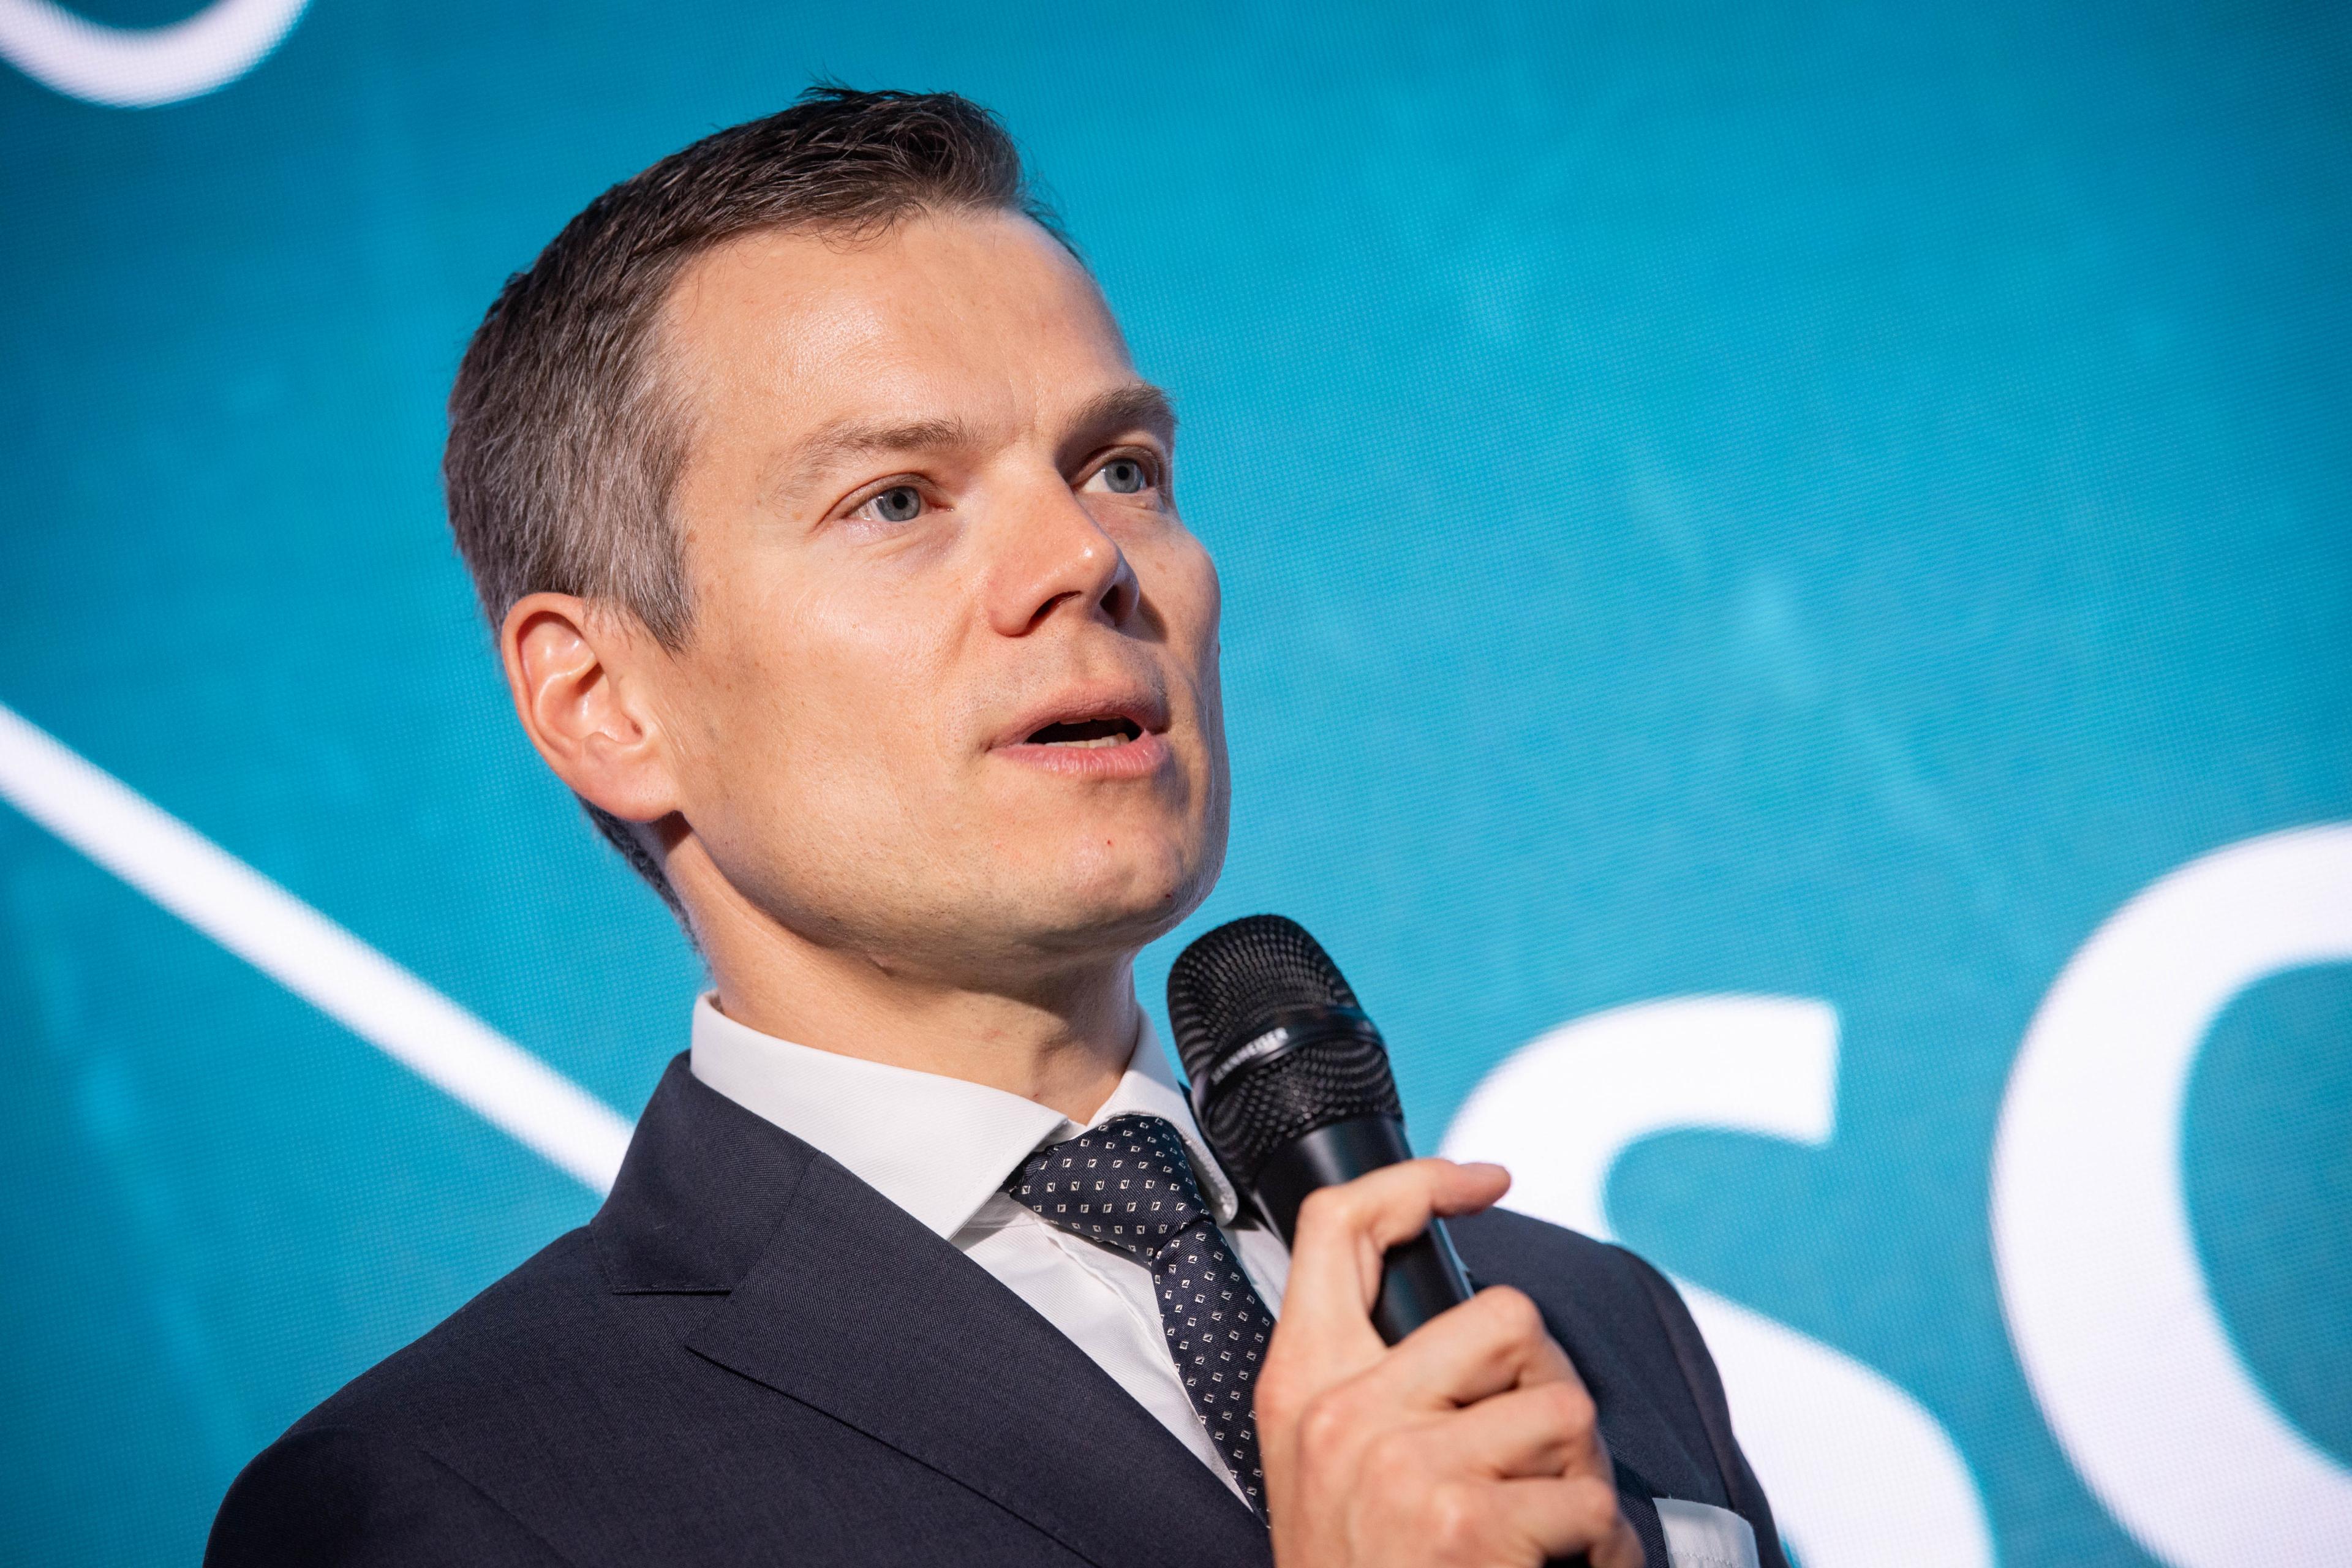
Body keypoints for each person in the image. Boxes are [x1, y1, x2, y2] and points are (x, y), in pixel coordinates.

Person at [206, 86, 1784, 1568]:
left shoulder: (1583, 1326)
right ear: (605, 701)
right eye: (898, 499)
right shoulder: (450, 1494)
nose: (1087, 557)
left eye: (1121, 467)